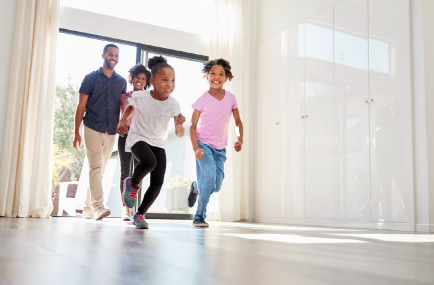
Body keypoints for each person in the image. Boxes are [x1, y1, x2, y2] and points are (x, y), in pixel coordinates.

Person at [118, 55, 185, 229]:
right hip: (137, 137)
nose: (169, 84)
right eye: (164, 80)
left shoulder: (174, 105)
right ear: (153, 81)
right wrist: (122, 121)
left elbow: (179, 133)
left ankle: (140, 214)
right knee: (149, 162)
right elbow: (130, 107)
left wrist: (178, 124)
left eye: (173, 80)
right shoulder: (141, 96)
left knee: (158, 181)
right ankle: (132, 183)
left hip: (158, 142)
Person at [73, 43, 127, 220]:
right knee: (95, 167)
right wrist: (76, 133)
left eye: (116, 55)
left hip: (111, 130)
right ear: (103, 55)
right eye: (110, 54)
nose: (113, 58)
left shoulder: (121, 82)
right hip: (92, 127)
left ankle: (87, 208)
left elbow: (124, 106)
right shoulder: (90, 78)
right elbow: (81, 107)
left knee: (99, 171)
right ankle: (98, 207)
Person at [188, 58, 244, 227]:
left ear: (226, 77)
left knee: (216, 185)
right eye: (213, 73)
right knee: (209, 179)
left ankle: (196, 187)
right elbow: (193, 126)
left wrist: (240, 138)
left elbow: (238, 122)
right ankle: (199, 216)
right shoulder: (202, 99)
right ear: (207, 76)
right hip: (203, 145)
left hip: (220, 148)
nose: (216, 77)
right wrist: (196, 147)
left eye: (221, 74)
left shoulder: (231, 98)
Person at [118, 63, 151, 221]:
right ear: (132, 79)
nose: (140, 80)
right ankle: (126, 209)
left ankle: (138, 209)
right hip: (125, 135)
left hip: (141, 138)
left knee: (139, 172)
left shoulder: (149, 98)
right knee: (125, 171)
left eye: (143, 78)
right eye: (137, 77)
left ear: (147, 82)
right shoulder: (124, 97)